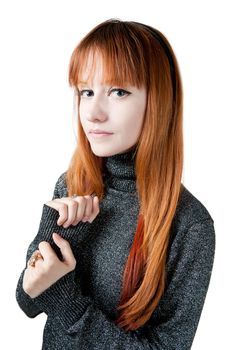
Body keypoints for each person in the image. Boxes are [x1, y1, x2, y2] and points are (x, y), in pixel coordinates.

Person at [15, 18, 215, 349]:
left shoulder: (190, 225)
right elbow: (27, 302)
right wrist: (51, 242)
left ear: (158, 101)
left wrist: (69, 303)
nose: (93, 112)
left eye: (118, 91)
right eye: (86, 91)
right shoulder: (72, 185)